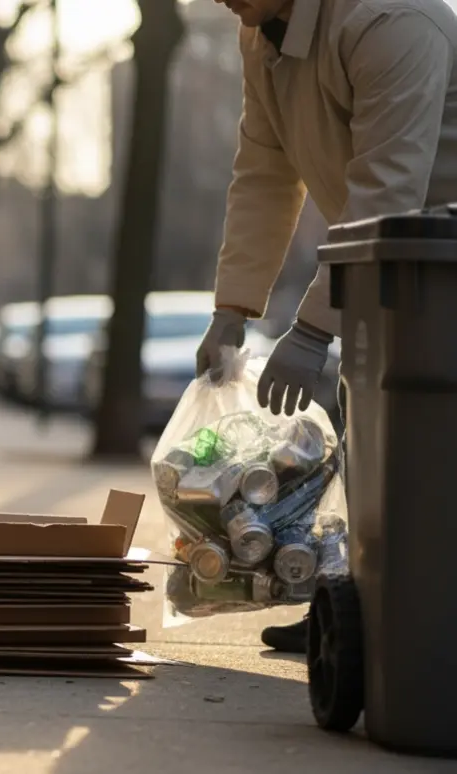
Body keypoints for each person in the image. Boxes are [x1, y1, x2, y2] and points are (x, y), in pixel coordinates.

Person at [198, 0, 457, 652]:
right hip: (398, 260)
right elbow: (263, 170)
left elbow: (385, 190)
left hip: (436, 255)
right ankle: (359, 618)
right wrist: (231, 309)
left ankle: (414, 633)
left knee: (427, 450)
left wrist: (312, 331)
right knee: (372, 440)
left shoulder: (392, 19)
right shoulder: (262, 33)